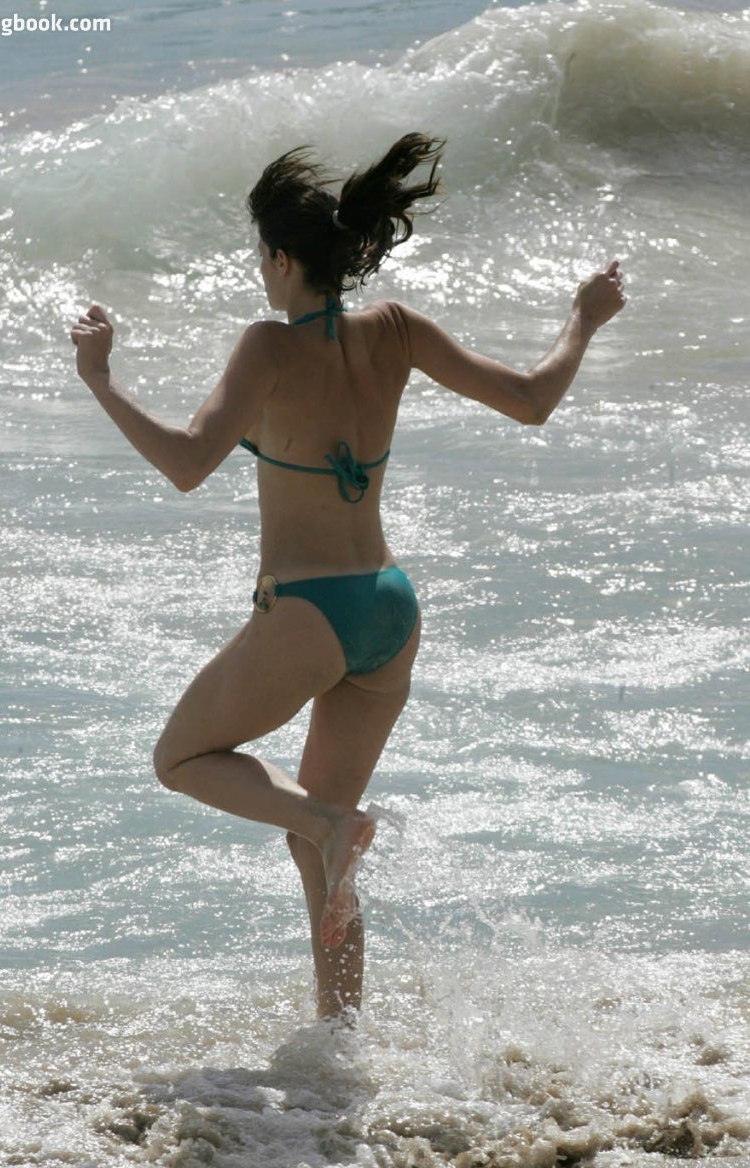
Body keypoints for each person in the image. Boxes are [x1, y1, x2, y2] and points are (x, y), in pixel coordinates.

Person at [70, 133, 625, 1021]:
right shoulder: (396, 329)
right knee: (317, 845)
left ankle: (331, 829)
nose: (260, 271)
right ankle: (342, 1037)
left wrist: (101, 379)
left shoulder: (268, 345)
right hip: (388, 607)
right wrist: (582, 318)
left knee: (183, 760)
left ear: (282, 261)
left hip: (309, 612)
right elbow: (531, 400)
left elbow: (185, 462)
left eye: (261, 254)